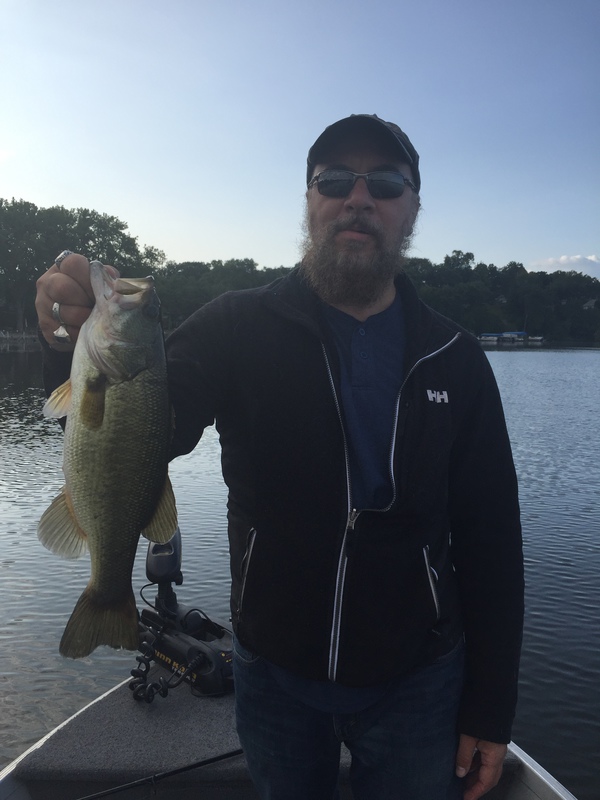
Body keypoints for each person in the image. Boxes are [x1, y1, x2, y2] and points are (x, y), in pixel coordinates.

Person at [35, 114, 524, 800]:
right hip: (273, 675)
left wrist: (491, 707)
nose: (358, 197)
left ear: (412, 209)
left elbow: (493, 541)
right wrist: (70, 341)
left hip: (420, 679)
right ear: (309, 201)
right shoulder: (235, 325)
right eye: (334, 180)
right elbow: (147, 429)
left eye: (384, 183)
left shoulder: (457, 358)